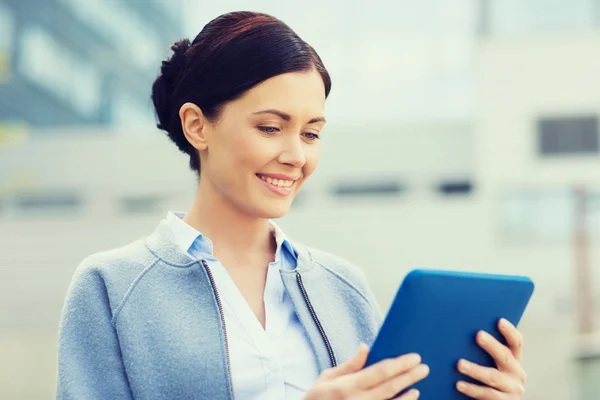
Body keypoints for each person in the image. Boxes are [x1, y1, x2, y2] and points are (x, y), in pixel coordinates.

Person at [56, 11, 527, 400]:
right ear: (198, 126)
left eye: (311, 133)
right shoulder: (111, 288)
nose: (296, 156)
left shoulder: (345, 288)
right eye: (269, 127)